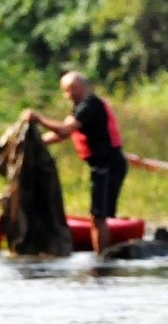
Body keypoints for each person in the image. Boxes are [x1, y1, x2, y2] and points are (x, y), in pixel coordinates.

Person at [25, 72, 127, 254]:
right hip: (101, 166)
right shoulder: (81, 107)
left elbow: (65, 130)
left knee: (98, 216)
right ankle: (101, 254)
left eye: (71, 90)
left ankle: (101, 259)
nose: (68, 95)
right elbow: (60, 135)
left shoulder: (90, 106)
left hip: (108, 165)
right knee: (98, 215)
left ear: (84, 87)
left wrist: (39, 119)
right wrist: (34, 141)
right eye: (65, 91)